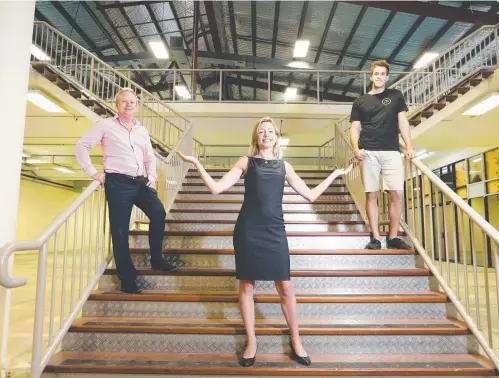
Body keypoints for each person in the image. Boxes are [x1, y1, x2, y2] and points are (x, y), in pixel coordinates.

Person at [176, 117, 352, 367]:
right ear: (256, 137)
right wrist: (196, 163)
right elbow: (216, 189)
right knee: (247, 286)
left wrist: (334, 174)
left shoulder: (285, 167)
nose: (266, 134)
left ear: (277, 137)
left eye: (270, 131)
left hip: (275, 231)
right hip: (248, 230)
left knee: (286, 287)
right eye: (261, 131)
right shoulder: (246, 162)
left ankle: (296, 339)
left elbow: (311, 195)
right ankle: (251, 340)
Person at [75, 88, 177, 295]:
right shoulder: (105, 126)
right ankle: (127, 279)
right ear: (116, 105)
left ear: (136, 106)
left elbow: (149, 156)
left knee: (158, 214)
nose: (129, 105)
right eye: (124, 102)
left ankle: (156, 259)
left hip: (140, 182)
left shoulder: (142, 130)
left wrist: (153, 176)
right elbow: (82, 146)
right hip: (117, 183)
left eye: (132, 102)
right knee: (120, 231)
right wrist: (94, 173)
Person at [349, 60, 415, 250]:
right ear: (371, 76)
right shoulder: (360, 101)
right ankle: (376, 238)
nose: (379, 77)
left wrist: (409, 146)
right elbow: (354, 129)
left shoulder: (396, 96)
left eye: (382, 74)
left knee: (397, 194)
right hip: (368, 152)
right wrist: (355, 149)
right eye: (376, 73)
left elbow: (403, 123)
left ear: (387, 77)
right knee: (371, 195)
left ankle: (393, 237)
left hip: (392, 151)